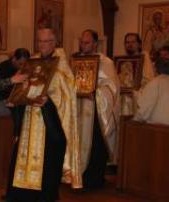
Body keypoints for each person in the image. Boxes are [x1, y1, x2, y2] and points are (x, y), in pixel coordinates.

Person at [3, 28, 79, 202]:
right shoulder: (32, 62)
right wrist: (16, 98)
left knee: (47, 165)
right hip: (29, 120)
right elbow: (23, 85)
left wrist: (49, 102)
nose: (43, 45)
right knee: (21, 159)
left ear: (54, 42)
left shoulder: (62, 65)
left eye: (46, 41)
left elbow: (67, 94)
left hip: (48, 124)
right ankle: (21, 195)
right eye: (40, 41)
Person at [64, 29, 120, 190]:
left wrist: (95, 93)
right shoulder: (75, 60)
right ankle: (77, 177)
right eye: (81, 42)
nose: (83, 45)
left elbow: (112, 87)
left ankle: (94, 180)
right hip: (77, 109)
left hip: (95, 111)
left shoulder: (105, 62)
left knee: (95, 144)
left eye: (87, 42)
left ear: (95, 44)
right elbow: (69, 81)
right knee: (76, 142)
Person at [120, 33, 155, 116]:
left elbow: (148, 79)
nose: (130, 45)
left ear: (139, 45)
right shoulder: (122, 60)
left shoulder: (144, 58)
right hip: (124, 97)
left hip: (138, 97)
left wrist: (135, 89)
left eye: (133, 42)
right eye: (127, 42)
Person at [0, 48, 30, 115]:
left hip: (16, 103)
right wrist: (13, 79)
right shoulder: (3, 67)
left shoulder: (23, 68)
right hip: (2, 103)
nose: (22, 67)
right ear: (14, 59)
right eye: (20, 64)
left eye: (24, 64)